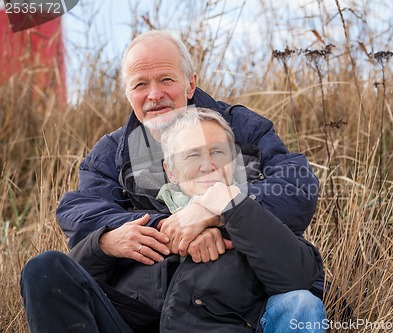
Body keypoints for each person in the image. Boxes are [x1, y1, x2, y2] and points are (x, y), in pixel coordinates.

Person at [42, 29, 325, 328]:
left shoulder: (243, 128)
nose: (154, 95)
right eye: (140, 84)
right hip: (150, 300)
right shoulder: (110, 153)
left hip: (242, 293)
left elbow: (296, 188)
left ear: (190, 83)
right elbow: (82, 214)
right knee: (45, 271)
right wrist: (168, 227)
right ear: (128, 93)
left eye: (166, 79)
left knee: (300, 302)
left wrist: (213, 211)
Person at [20, 108, 326, 332]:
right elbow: (73, 291)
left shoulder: (252, 215)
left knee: (302, 303)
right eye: (192, 156)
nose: (208, 164)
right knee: (44, 268)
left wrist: (226, 209)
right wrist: (103, 245)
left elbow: (299, 278)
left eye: (218, 152)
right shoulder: (137, 214)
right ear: (170, 171)